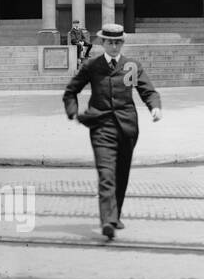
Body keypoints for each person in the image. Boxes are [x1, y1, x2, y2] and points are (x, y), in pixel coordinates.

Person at [62, 23, 162, 241]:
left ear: (122, 43)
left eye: (118, 42)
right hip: (100, 125)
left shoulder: (131, 66)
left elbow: (148, 90)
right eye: (110, 42)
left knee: (121, 173)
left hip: (127, 127)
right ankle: (107, 220)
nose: (114, 46)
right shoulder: (92, 65)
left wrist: (155, 107)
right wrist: (72, 112)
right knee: (106, 173)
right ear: (102, 43)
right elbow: (71, 91)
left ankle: (114, 216)